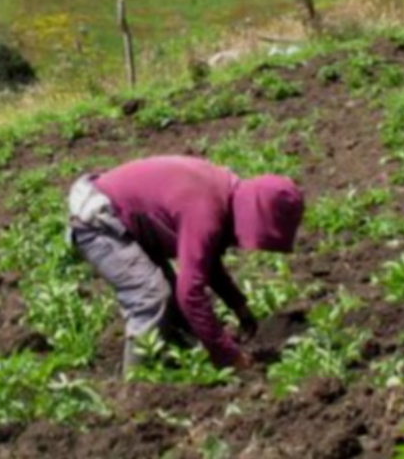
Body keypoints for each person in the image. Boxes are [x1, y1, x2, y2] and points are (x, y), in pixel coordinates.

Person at [67, 155, 304, 374]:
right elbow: (190, 294)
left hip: (124, 218)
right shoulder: (205, 210)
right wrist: (229, 357)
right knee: (151, 295)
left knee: (174, 306)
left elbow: (206, 260)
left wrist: (239, 306)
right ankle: (136, 384)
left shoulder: (222, 191)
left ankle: (176, 360)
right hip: (100, 220)